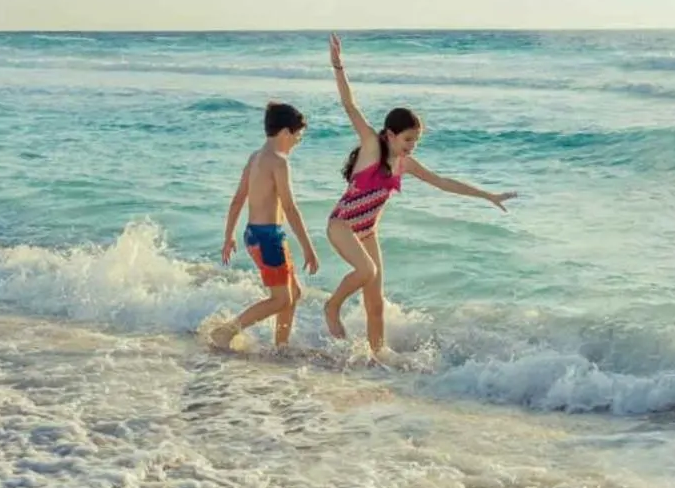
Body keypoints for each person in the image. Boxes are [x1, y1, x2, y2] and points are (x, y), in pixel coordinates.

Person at [321, 34, 515, 357]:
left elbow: (443, 182)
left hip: (367, 231)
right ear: (391, 134)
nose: (412, 146)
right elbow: (349, 104)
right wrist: (338, 65)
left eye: (416, 141)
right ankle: (332, 307)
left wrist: (488, 195)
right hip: (341, 225)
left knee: (376, 303)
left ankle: (376, 357)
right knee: (366, 271)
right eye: (408, 139)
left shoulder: (405, 164)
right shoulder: (372, 146)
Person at [210, 102, 319, 350]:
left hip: (254, 234)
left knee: (294, 294)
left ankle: (281, 346)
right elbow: (290, 209)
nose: (297, 142)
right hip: (269, 237)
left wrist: (229, 236)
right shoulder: (279, 162)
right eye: (297, 136)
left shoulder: (255, 157)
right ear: (284, 133)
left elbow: (238, 199)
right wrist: (308, 248)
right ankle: (227, 331)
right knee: (281, 298)